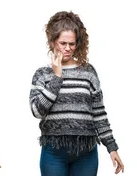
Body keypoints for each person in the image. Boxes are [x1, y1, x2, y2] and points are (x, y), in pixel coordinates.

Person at [29, 11, 124, 175]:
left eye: (71, 44)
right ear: (53, 42)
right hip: (54, 152)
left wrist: (111, 147)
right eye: (62, 43)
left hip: (86, 153)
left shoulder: (88, 72)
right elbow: (37, 111)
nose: (67, 49)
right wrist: (57, 77)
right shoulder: (42, 74)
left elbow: (99, 113)